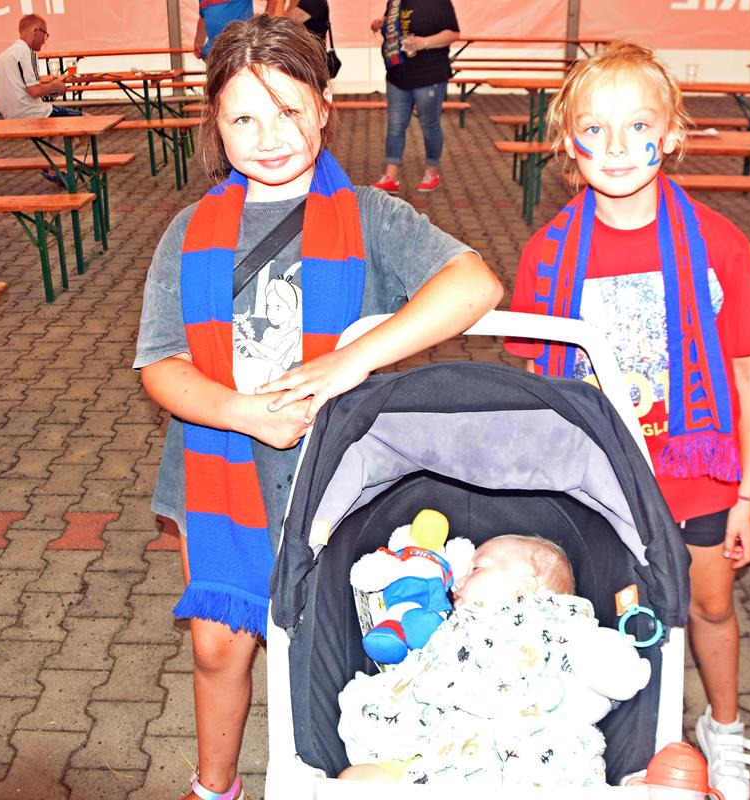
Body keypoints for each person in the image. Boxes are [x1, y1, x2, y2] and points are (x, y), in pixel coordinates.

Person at [133, 15, 503, 800]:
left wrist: (349, 361)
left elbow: (475, 284)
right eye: (243, 118)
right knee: (218, 648)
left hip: (341, 482)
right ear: (215, 123)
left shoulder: (372, 216)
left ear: (325, 107)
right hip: (222, 471)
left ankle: (344, 775)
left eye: (288, 111)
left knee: (336, 642)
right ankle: (215, 786)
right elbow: (160, 364)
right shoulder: (188, 232)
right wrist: (240, 412)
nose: (269, 137)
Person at [504, 41, 750, 800]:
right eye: (594, 128)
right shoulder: (547, 256)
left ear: (672, 134)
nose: (617, 146)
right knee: (612, 609)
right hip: (602, 476)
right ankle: (613, 739)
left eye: (638, 125)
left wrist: (747, 494)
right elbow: (542, 386)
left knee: (709, 604)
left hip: (697, 474)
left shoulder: (717, 245)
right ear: (567, 143)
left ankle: (721, 725)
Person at [338, 535, 651, 787]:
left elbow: (608, 669)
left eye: (476, 569)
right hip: (439, 758)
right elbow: (421, 675)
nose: (457, 582)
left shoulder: (557, 625)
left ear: (526, 585)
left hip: (519, 762)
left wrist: (605, 660)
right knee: (355, 781)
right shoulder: (452, 630)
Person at [369, 0, 460, 193]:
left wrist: (424, 42)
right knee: (395, 126)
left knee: (429, 125)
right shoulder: (395, 1)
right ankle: (391, 176)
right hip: (397, 74)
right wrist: (381, 23)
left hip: (429, 75)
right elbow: (392, 23)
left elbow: (453, 34)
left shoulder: (438, 3)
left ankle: (432, 172)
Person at [0, 14, 80, 185]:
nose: (44, 41)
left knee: (64, 131)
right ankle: (54, 165)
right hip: (30, 113)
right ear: (36, 31)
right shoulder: (27, 52)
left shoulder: (4, 55)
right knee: (86, 121)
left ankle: (56, 166)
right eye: (45, 35)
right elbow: (34, 91)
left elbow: (26, 89)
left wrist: (50, 88)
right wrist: (55, 86)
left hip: (10, 115)